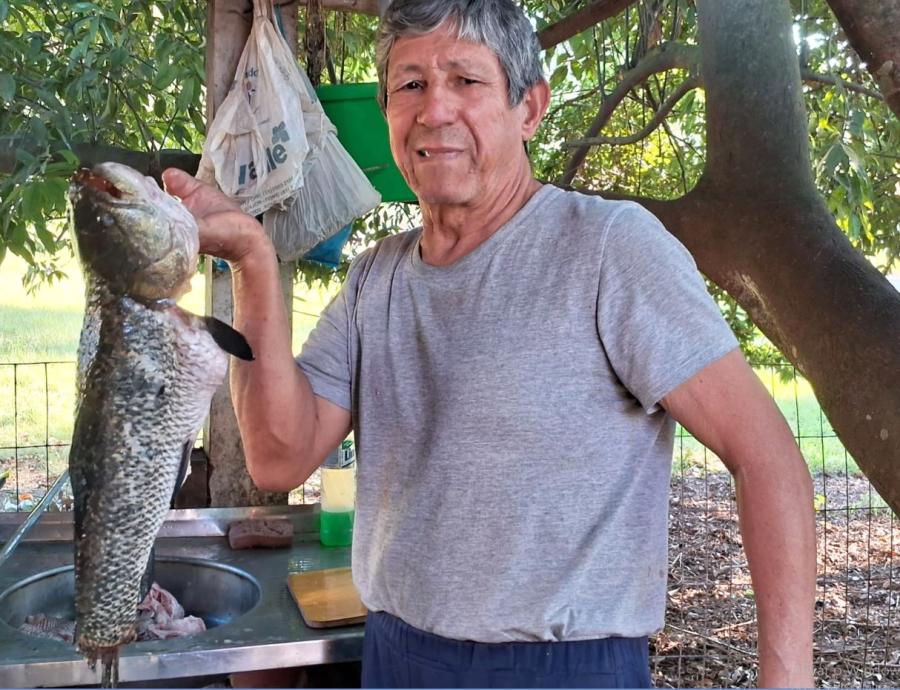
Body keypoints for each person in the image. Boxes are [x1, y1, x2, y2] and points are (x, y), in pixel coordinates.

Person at [163, 1, 816, 686]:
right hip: (398, 655)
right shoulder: (374, 280)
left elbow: (767, 458)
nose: (434, 110)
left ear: (528, 108)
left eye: (466, 82)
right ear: (386, 112)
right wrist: (253, 259)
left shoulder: (607, 249)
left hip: (566, 667)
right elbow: (276, 456)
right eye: (410, 85)